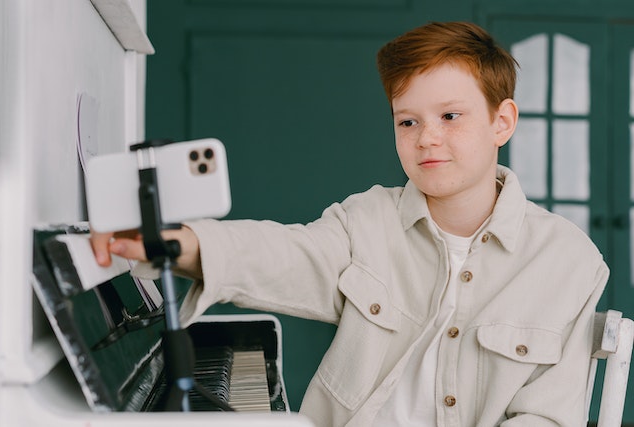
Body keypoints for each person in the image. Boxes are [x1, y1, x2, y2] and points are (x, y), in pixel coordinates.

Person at [91, 21, 608, 426]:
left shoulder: (570, 263)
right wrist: (179, 242)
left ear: (503, 121)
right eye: (408, 121)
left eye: (450, 116)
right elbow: (286, 255)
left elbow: (547, 416)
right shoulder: (367, 219)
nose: (426, 137)